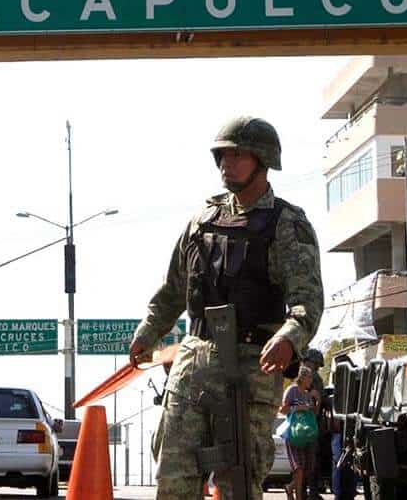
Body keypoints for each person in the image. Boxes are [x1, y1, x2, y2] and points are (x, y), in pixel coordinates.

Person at [128, 116, 324, 500]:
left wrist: (289, 337)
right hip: (193, 363)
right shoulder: (202, 222)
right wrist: (148, 331)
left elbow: (307, 300)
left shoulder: (287, 224)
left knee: (239, 480)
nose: (225, 164)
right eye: (222, 155)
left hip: (251, 367)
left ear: (263, 160)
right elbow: (173, 290)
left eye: (237, 155)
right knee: (173, 474)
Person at [282, 365, 321, 500]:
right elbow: (283, 410)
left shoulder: (308, 394)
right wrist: (298, 408)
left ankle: (291, 487)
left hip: (307, 434)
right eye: (309, 377)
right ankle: (298, 497)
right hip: (293, 434)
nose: (311, 380)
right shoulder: (292, 390)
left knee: (306, 469)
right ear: (302, 377)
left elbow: (314, 414)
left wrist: (317, 401)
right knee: (298, 468)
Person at [302, 348, 328, 500]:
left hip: (300, 424)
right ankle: (310, 492)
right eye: (316, 364)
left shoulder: (298, 376)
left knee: (303, 460)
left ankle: (303, 492)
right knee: (311, 460)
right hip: (311, 424)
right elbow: (319, 400)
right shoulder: (314, 378)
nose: (317, 368)